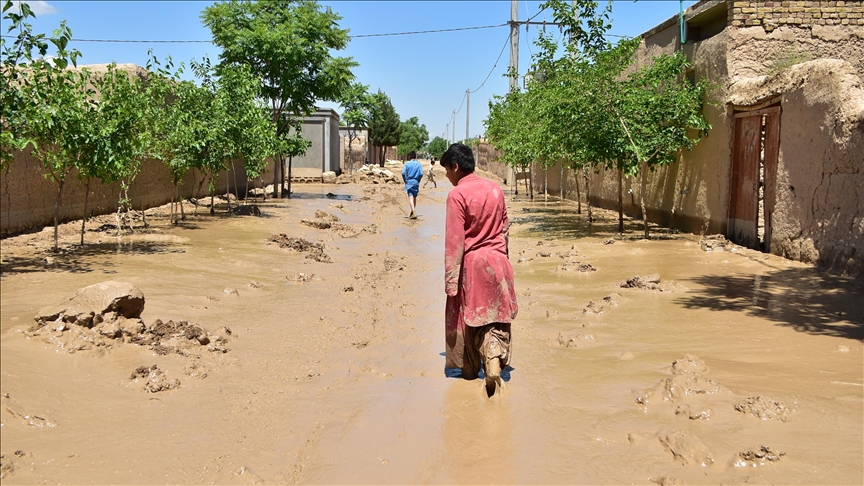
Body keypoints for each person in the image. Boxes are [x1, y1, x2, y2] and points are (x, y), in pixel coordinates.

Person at [441, 143, 517, 396]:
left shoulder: (457, 195)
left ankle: (471, 369)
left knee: (467, 319)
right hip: (499, 262)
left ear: (455, 167)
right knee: (495, 318)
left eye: (447, 171)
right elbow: (505, 230)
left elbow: (455, 242)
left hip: (473, 264)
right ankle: (494, 360)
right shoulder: (495, 189)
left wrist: (451, 282)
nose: (447, 177)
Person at [401, 150, 423, 218]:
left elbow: (403, 173)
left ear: (409, 156)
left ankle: (413, 211)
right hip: (416, 182)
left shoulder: (407, 164)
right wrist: (418, 180)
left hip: (409, 182)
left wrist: (405, 180)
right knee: (414, 197)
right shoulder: (418, 164)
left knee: (410, 196)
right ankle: (413, 211)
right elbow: (421, 173)